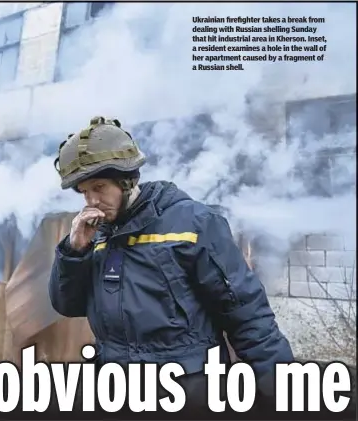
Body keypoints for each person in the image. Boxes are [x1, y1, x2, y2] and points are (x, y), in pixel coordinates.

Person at [49, 116, 294, 412]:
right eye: (83, 191)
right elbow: (68, 305)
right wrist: (74, 252)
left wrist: (284, 393)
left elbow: (247, 315)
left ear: (127, 180)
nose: (91, 200)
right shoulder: (97, 235)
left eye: (99, 187)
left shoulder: (193, 224)